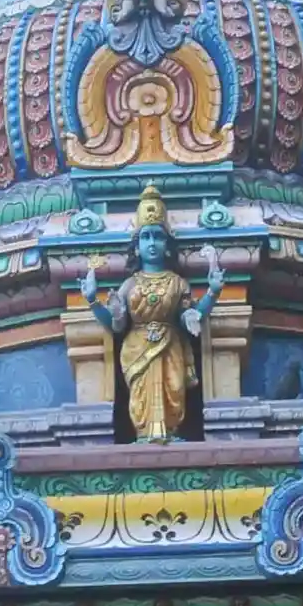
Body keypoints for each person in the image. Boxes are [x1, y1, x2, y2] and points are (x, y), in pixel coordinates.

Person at [80, 184, 224, 442]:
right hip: (136, 346)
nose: (152, 243)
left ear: (167, 245)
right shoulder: (130, 285)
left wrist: (212, 293)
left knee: (174, 388)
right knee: (140, 397)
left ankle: (172, 432)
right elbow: (115, 325)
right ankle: (144, 434)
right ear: (136, 247)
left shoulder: (178, 283)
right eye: (145, 237)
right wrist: (92, 300)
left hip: (171, 345)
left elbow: (191, 318)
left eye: (157, 237)